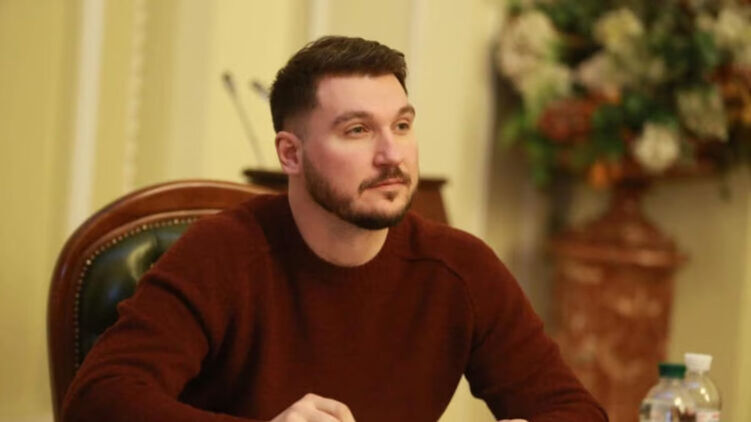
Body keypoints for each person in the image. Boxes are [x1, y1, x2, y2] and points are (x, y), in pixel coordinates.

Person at [63, 36, 608, 422]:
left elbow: (573, 409)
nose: (392, 155)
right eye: (357, 130)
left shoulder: (460, 267)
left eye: (402, 125)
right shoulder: (223, 252)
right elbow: (99, 401)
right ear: (290, 154)